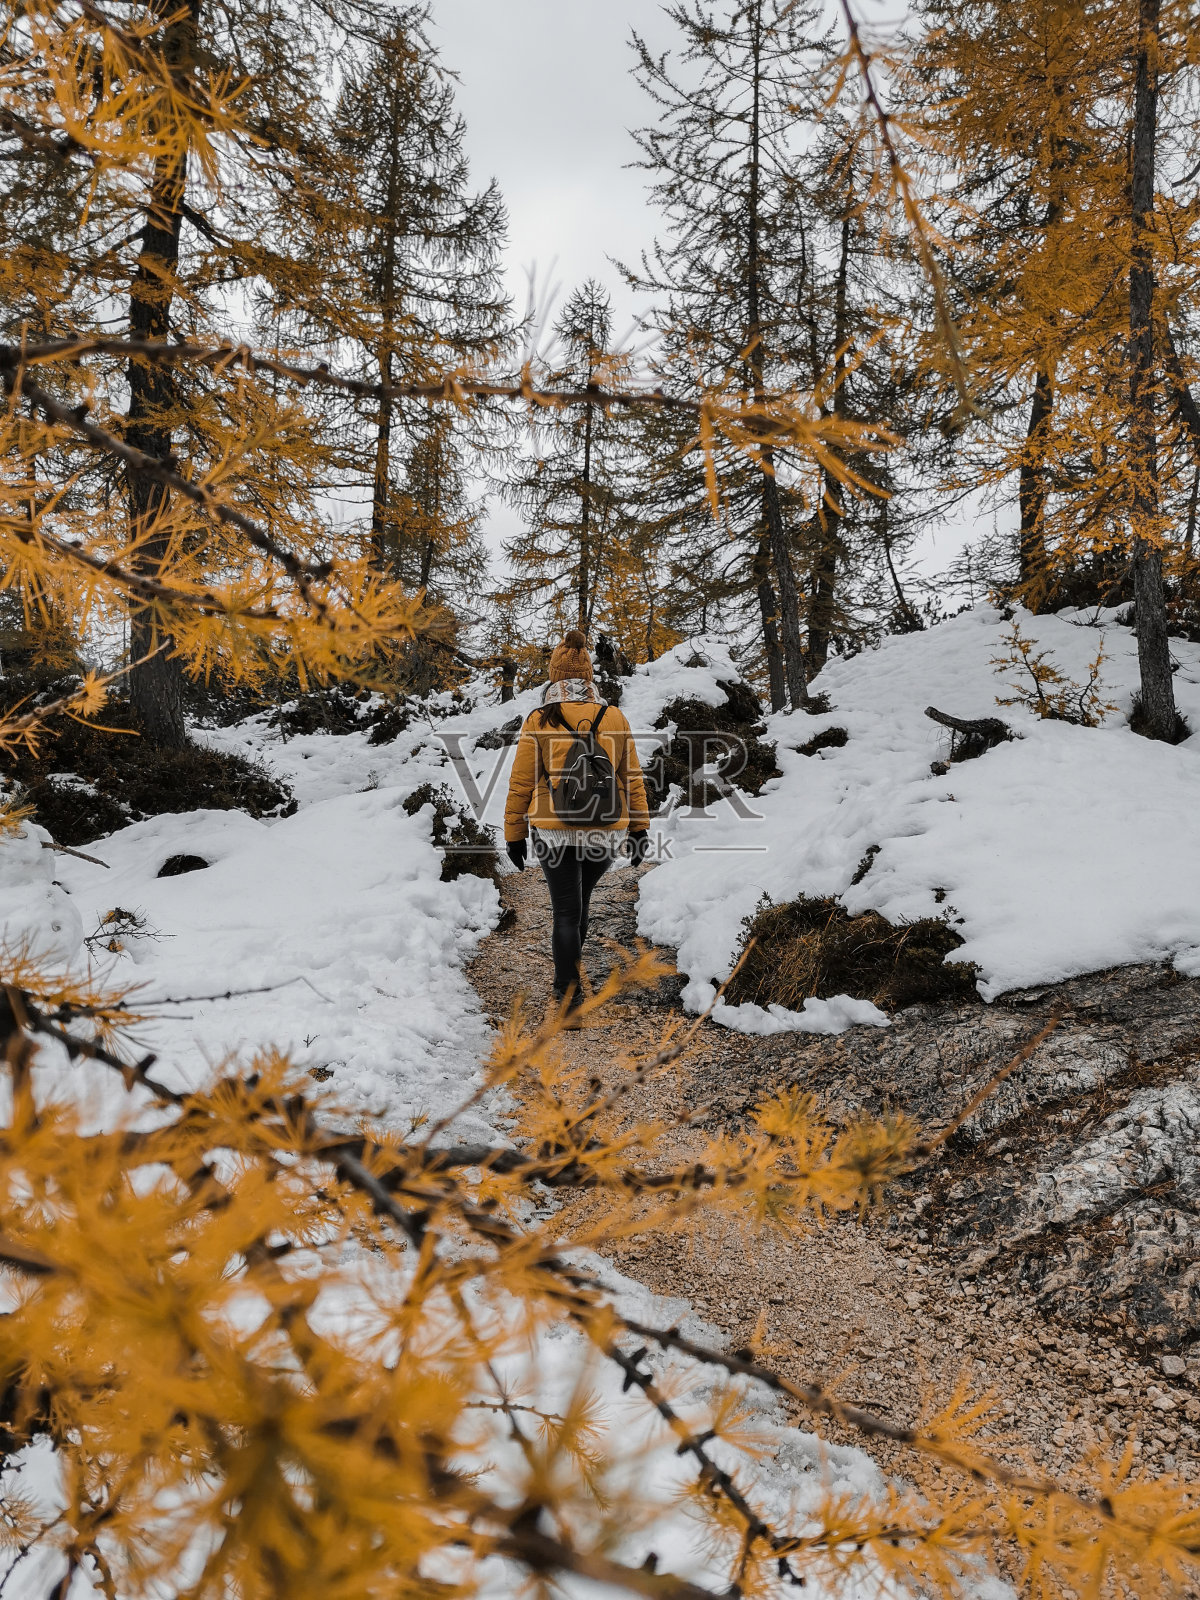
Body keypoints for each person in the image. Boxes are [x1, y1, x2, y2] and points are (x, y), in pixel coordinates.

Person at [503, 630, 650, 1017]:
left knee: (566, 910)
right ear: (588, 677)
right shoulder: (614, 716)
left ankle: (567, 996)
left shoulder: (539, 718)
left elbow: (521, 780)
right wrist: (639, 830)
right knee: (580, 906)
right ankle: (572, 976)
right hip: (606, 828)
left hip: (553, 830)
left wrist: (515, 834)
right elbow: (631, 777)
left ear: (554, 677)